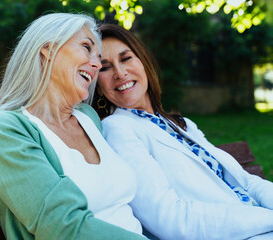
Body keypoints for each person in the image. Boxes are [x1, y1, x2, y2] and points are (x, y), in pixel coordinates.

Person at [0, 14, 148, 240]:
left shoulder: (88, 118)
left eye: (98, 57)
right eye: (86, 47)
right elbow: (63, 227)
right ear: (48, 50)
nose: (96, 64)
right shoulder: (7, 129)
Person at [93, 24, 273, 240]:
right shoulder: (118, 129)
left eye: (126, 58)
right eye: (105, 68)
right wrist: (266, 218)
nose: (120, 73)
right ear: (98, 84)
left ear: (143, 61)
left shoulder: (182, 125)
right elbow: (169, 218)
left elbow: (246, 182)